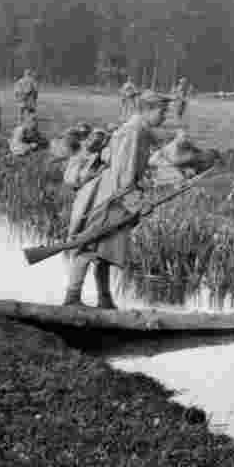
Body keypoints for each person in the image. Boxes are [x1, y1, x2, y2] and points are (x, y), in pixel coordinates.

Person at [63, 90, 171, 308]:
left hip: (114, 194)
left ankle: (104, 299)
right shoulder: (134, 132)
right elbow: (125, 174)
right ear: (148, 110)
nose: (165, 116)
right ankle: (72, 298)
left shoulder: (138, 130)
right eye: (162, 111)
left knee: (105, 250)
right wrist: (137, 203)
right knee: (90, 246)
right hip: (111, 198)